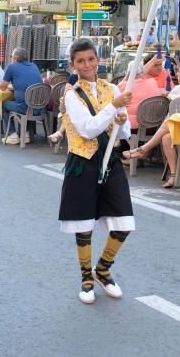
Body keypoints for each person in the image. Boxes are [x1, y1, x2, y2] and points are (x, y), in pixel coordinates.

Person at [59, 38, 134, 304]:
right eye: (81, 61)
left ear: (98, 60)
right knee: (83, 226)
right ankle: (86, 279)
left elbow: (122, 133)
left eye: (91, 59)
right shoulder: (71, 95)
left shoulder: (112, 88)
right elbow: (88, 129)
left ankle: (103, 269)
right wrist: (115, 107)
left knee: (124, 223)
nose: (87, 64)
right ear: (73, 64)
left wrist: (122, 120)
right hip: (83, 162)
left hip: (110, 161)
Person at [123, 64, 180, 187]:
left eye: (178, 73)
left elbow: (168, 103)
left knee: (167, 122)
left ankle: (143, 149)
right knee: (166, 138)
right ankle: (174, 177)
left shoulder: (178, 89)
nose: (177, 75)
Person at [0, 47, 44, 145]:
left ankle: (12, 135)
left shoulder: (12, 67)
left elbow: (3, 87)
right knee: (24, 101)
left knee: (4, 104)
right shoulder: (34, 66)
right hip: (39, 108)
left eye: (12, 57)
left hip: (23, 107)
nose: (11, 59)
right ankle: (25, 134)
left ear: (16, 58)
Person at [117, 55, 168, 126]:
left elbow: (114, 98)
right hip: (154, 124)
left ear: (128, 73)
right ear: (143, 71)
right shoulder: (153, 82)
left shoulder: (123, 86)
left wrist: (127, 76)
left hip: (131, 125)